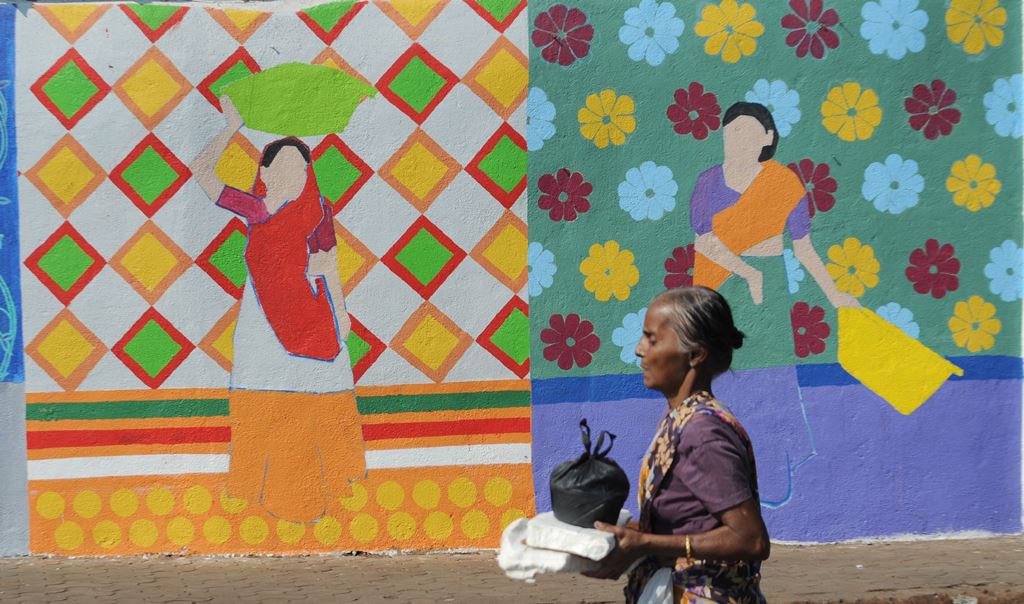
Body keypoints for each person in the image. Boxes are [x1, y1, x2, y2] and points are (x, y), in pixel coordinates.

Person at [192, 96, 366, 523]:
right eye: (282, 166)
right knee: (257, 400)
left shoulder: (318, 213)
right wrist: (231, 127)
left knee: (319, 399)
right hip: (261, 323)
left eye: (300, 167)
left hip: (312, 315)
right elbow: (201, 171)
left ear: (308, 174)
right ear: (265, 173)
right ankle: (250, 488)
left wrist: (341, 315)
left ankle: (333, 487)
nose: (292, 174)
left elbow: (329, 264)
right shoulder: (256, 210)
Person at [690, 101, 859, 505]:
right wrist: (746, 272)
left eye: (748, 132)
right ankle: (720, 480)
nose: (738, 140)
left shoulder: (784, 183)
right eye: (731, 133)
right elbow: (704, 241)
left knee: (775, 381)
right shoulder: (709, 182)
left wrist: (835, 294)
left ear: (767, 137)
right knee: (723, 382)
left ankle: (774, 471)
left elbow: (804, 248)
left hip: (769, 291)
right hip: (722, 291)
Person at [588, 287, 769, 603]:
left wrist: (645, 543)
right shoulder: (681, 418)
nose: (639, 350)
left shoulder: (703, 431)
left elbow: (751, 539)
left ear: (695, 354)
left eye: (652, 339)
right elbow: (687, 519)